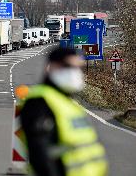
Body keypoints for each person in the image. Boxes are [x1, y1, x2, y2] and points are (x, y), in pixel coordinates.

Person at [19, 48, 108, 176]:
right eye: (67, 66)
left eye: (79, 68)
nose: (74, 72)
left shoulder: (70, 103)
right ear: (50, 68)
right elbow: (40, 154)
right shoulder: (40, 102)